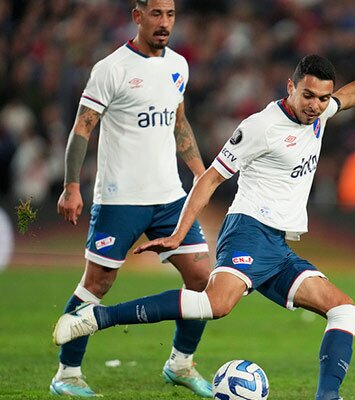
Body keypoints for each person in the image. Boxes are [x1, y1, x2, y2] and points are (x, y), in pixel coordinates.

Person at [52, 53, 355, 400]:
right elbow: (210, 179)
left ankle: (328, 396)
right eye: (308, 95)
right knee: (216, 304)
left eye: (323, 99)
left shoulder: (320, 115)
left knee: (346, 310)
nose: (315, 105)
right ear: (290, 87)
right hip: (248, 230)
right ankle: (98, 317)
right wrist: (180, 233)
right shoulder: (260, 127)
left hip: (277, 247)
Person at [51, 0, 213, 397]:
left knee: (201, 278)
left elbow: (179, 123)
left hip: (170, 197)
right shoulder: (111, 69)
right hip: (119, 199)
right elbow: (82, 129)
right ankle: (67, 375)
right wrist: (72, 186)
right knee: (99, 282)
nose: (164, 23)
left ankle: (180, 363)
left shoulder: (178, 65)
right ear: (137, 16)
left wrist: (200, 174)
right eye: (156, 14)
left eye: (170, 15)